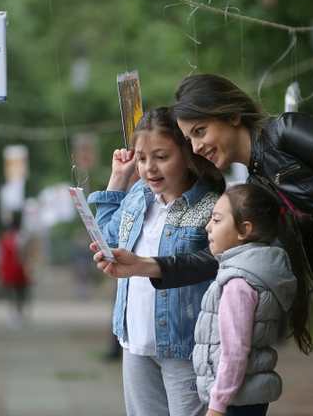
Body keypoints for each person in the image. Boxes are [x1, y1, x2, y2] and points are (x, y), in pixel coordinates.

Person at [93, 74, 313, 415]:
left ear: (232, 116)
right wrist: (146, 266)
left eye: (201, 131)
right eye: (189, 139)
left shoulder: (290, 132)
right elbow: (228, 258)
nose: (198, 146)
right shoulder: (260, 184)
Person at [88, 107, 224, 416]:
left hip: (186, 345)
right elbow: (109, 240)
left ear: (188, 153)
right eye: (142, 158)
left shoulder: (212, 206)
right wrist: (118, 181)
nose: (150, 168)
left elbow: (215, 262)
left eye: (162, 157)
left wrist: (143, 264)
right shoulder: (138, 195)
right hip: (134, 340)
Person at [194, 183, 311, 416]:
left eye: (216, 220)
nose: (208, 227)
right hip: (246, 396)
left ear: (244, 230)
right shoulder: (258, 272)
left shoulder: (239, 283)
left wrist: (217, 406)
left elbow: (234, 352)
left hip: (234, 400)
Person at [0, 213, 33, 321]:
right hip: (17, 269)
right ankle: (18, 313)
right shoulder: (18, 238)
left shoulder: (7, 239)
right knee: (19, 292)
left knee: (15, 292)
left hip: (13, 270)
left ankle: (17, 313)